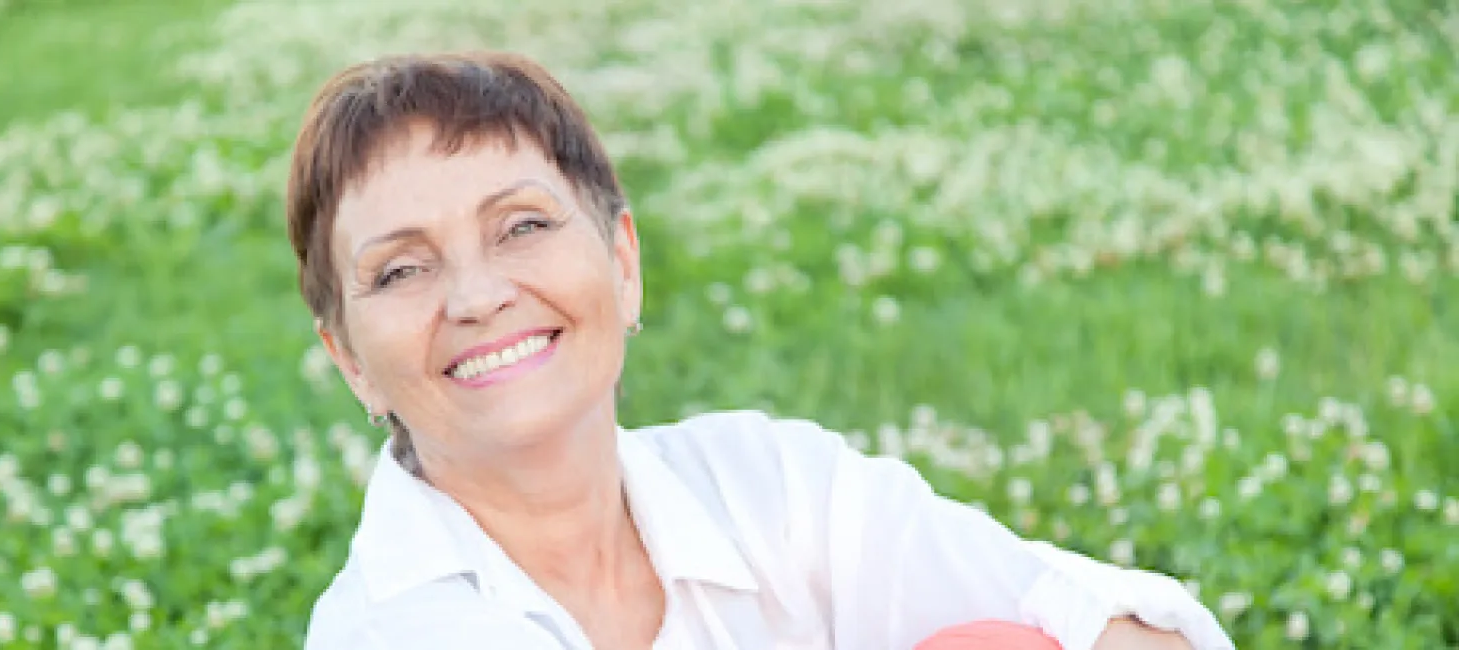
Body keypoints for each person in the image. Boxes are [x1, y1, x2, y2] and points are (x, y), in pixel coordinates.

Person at [287, 51, 1235, 650]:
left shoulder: (772, 483)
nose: (478, 294)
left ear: (622, 263)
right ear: (351, 361)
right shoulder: (386, 632)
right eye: (401, 272)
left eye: (523, 225)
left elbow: (1111, 621)